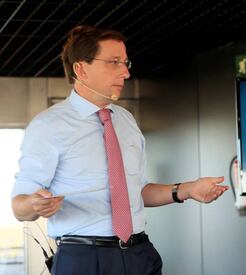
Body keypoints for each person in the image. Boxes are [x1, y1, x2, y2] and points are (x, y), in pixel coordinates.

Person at [11, 25, 229, 275]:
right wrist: (34, 204)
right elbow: (19, 206)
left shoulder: (125, 121)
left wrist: (188, 190)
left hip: (140, 253)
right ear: (81, 69)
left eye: (126, 62)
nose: (125, 72)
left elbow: (137, 192)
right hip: (85, 259)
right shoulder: (48, 126)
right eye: (114, 62)